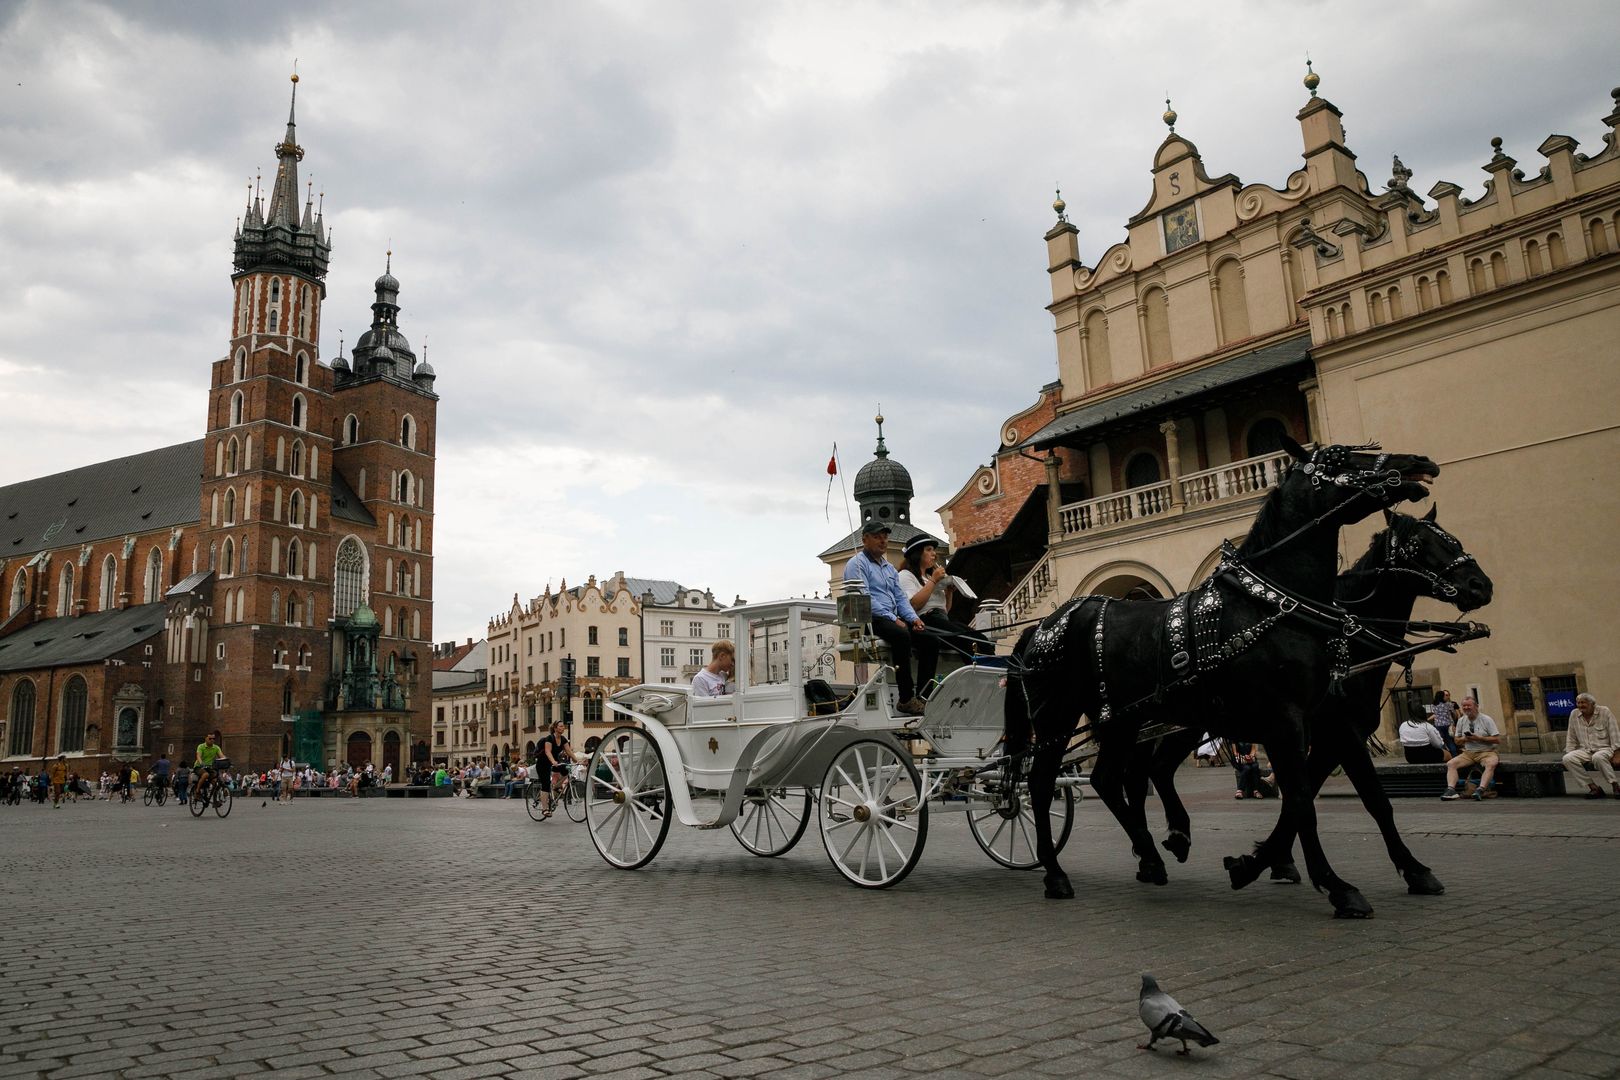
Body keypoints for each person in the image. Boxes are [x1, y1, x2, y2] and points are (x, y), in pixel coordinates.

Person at [842, 520, 936, 716]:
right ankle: (905, 698)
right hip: (869, 618)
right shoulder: (857, 564)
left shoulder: (889, 568)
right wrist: (892, 618)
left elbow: (901, 598)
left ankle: (924, 695)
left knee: (929, 639)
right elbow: (864, 597)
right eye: (877, 537)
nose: (883, 541)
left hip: (892, 617)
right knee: (901, 635)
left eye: (885, 537)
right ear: (865, 539)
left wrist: (913, 619)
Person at [898, 535, 991, 663]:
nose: (934, 554)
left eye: (933, 550)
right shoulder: (906, 575)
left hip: (942, 619)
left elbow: (945, 610)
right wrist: (933, 580)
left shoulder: (929, 576)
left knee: (981, 638)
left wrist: (949, 592)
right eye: (929, 549)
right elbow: (914, 605)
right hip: (925, 620)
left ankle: (993, 670)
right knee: (966, 640)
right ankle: (977, 672)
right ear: (917, 553)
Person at [1561, 692, 1620, 799]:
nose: (1580, 705)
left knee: (1597, 757)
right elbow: (1571, 735)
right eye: (1578, 703)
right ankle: (1594, 788)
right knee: (1567, 758)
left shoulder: (1604, 711)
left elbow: (1614, 732)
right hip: (1586, 750)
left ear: (1592, 704)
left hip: (1605, 748)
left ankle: (1615, 786)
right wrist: (1570, 751)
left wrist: (1617, 753)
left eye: (1583, 703)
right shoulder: (1574, 714)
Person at [1441, 698, 1500, 800]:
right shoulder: (1461, 720)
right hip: (1468, 753)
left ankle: (1481, 789)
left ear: (1476, 706)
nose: (1466, 708)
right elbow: (1457, 741)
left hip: (1487, 752)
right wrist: (1465, 739)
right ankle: (1451, 790)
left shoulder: (1486, 719)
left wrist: (1480, 738)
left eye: (1469, 705)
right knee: (1451, 763)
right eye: (1464, 706)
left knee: (1491, 763)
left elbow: (1497, 740)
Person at [538, 721, 573, 816]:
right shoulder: (550, 738)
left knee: (566, 770)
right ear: (555, 728)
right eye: (561, 726)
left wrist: (577, 761)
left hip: (555, 762)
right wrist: (553, 761)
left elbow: (569, 751)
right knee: (545, 784)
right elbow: (547, 751)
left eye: (563, 726)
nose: (563, 728)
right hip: (543, 763)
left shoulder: (563, 739)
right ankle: (544, 809)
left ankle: (556, 787)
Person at [1431, 690, 1458, 755]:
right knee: (1450, 741)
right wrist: (1454, 720)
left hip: (1438, 725)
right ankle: (1454, 755)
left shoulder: (1433, 705)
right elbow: (1454, 713)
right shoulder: (1448, 704)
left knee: (1440, 741)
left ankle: (1444, 755)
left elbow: (1434, 714)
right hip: (1448, 724)